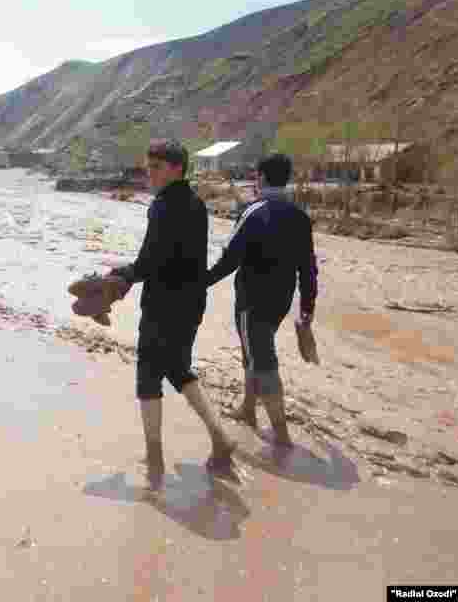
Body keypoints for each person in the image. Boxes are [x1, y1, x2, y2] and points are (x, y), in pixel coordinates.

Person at [110, 139, 236, 489]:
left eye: (157, 167)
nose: (149, 173)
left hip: (164, 304)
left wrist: (120, 276)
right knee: (178, 368)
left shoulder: (163, 206)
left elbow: (150, 261)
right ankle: (220, 437)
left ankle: (155, 460)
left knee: (149, 376)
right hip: (192, 302)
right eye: (148, 166)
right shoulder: (195, 203)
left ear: (177, 168)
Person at [206, 152, 318, 447]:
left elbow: (229, 259)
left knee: (263, 361)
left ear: (261, 178)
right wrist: (307, 309)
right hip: (281, 301)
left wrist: (199, 283)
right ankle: (247, 408)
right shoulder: (300, 217)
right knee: (254, 352)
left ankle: (282, 436)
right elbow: (308, 269)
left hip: (252, 301)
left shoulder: (253, 212)